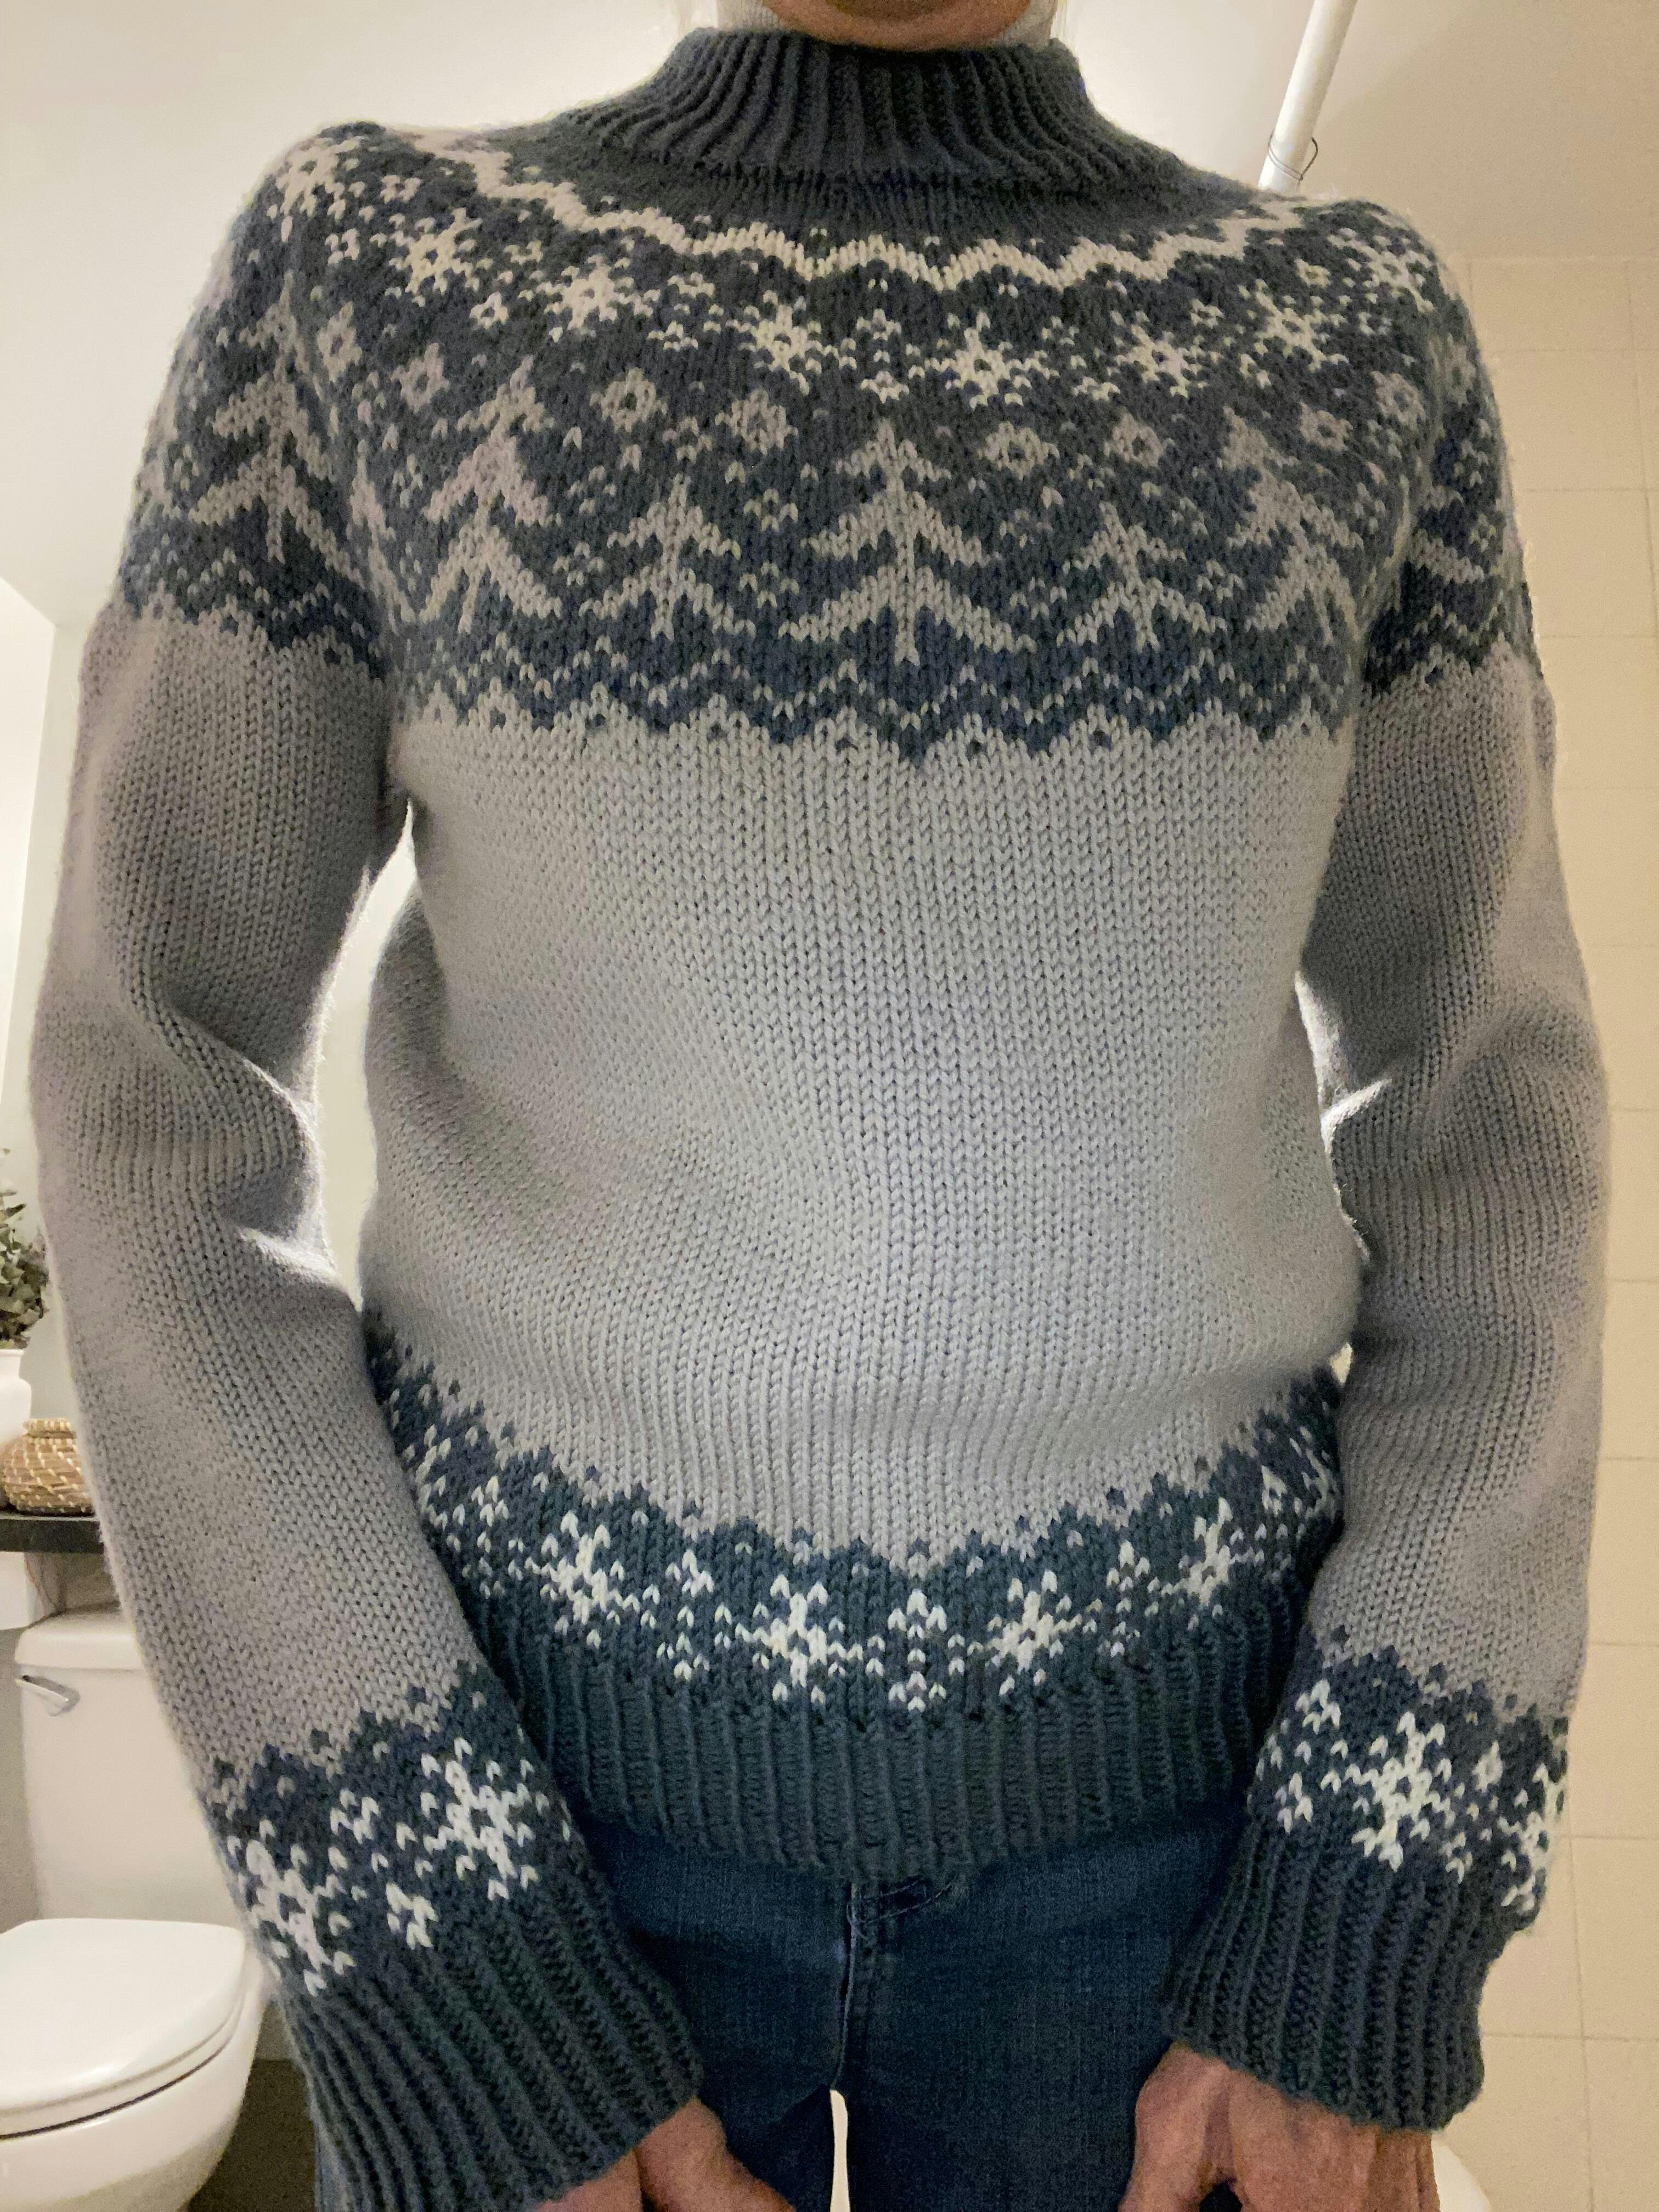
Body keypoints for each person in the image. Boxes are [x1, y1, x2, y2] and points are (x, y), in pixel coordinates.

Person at [25, 0, 1611, 2205]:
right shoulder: (378, 278)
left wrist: (1367, 1909)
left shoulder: (1350, 338)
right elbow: (154, 1101)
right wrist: (443, 1959)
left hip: (1187, 1876)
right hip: (537, 1839)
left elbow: (1491, 1127)